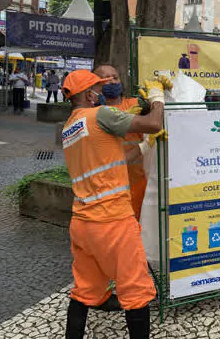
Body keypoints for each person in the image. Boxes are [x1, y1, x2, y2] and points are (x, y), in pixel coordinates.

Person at [61, 69, 170, 338]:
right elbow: (154, 122)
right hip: (113, 223)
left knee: (84, 290)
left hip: (83, 223)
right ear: (88, 94)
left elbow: (115, 155)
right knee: (136, 291)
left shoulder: (69, 128)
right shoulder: (101, 114)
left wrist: (144, 147)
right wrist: (157, 97)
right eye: (97, 88)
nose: (101, 92)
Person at [92, 64, 169, 220]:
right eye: (106, 79)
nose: (113, 82)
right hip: (111, 183)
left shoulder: (136, 103)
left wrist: (164, 92)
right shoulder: (93, 113)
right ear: (96, 84)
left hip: (138, 180)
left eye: (115, 77)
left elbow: (159, 113)